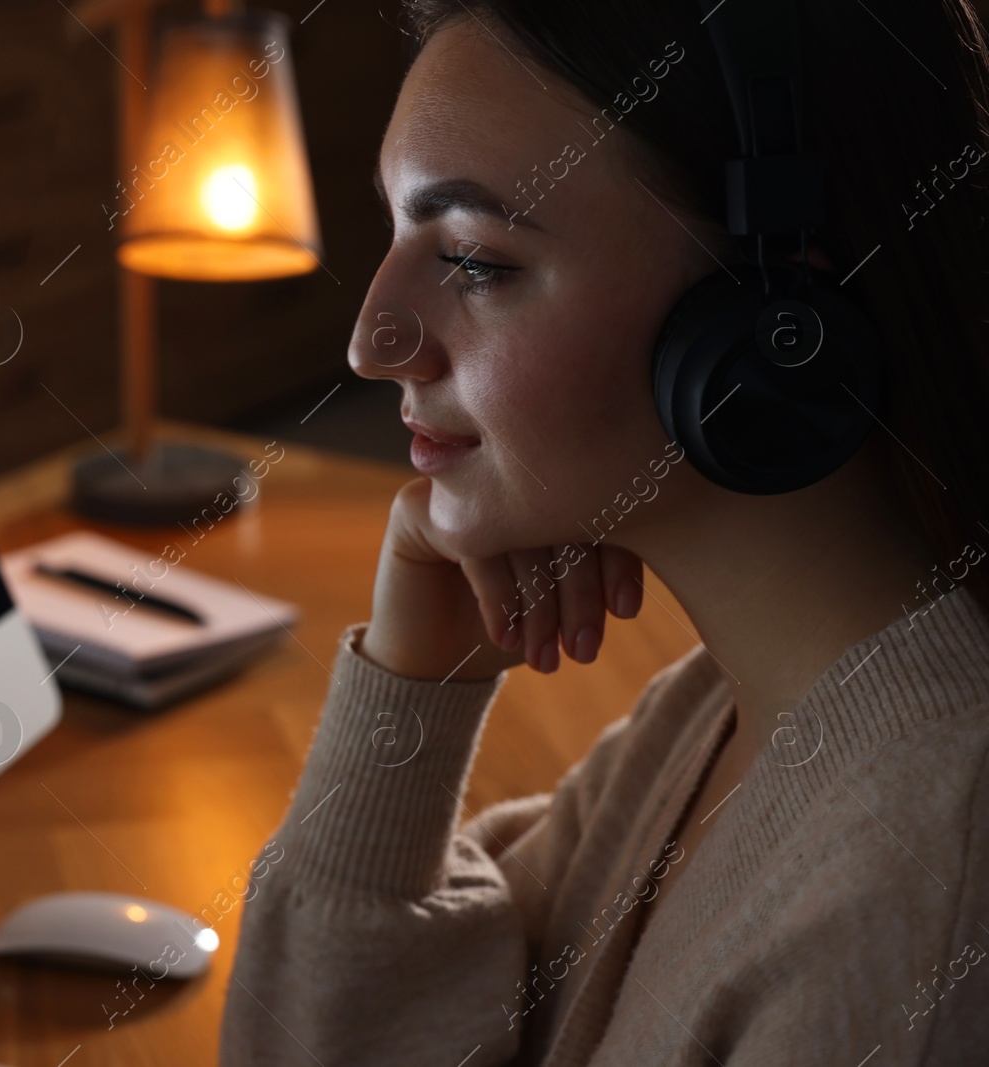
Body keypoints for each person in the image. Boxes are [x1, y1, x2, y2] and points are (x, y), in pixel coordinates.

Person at [217, 0, 989, 1063]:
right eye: (400, 234)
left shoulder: (921, 906)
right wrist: (412, 688)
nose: (371, 341)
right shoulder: (718, 707)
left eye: (476, 260)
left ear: (771, 332)